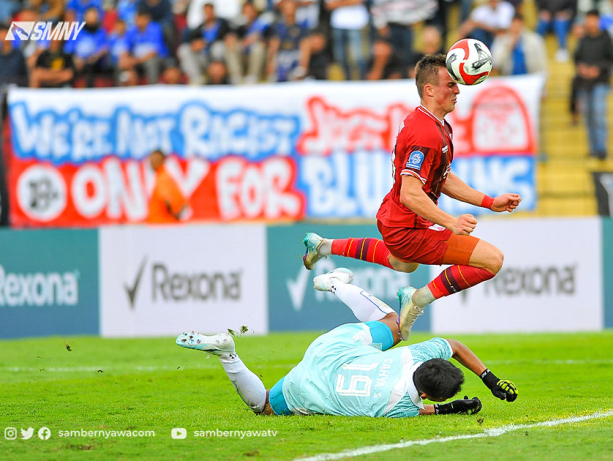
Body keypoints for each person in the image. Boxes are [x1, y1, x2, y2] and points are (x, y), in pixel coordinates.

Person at [302, 54, 522, 341]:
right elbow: (410, 192)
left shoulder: (433, 124)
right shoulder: (425, 133)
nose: (458, 90)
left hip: (397, 220)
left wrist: (489, 202)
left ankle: (324, 246)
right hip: (406, 228)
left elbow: (440, 178)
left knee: (403, 263)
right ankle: (416, 299)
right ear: (429, 89)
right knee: (492, 260)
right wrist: (451, 222)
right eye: (451, 84)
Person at [176, 268, 519, 417]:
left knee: (395, 326)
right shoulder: (398, 407)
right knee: (264, 406)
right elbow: (423, 410)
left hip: (334, 349)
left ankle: (334, 282)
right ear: (426, 394)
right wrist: (450, 409)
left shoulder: (417, 356)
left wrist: (490, 379)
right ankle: (227, 353)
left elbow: (454, 345)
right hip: (309, 386)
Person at [574, 9, 613, 159]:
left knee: (599, 115)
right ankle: (592, 149)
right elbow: (577, 58)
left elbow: (611, 59)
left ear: (598, 20)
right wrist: (582, 68)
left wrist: (598, 69)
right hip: (585, 83)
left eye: (593, 19)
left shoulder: (605, 38)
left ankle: (601, 149)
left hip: (600, 82)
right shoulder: (583, 39)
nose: (590, 23)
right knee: (588, 117)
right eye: (588, 19)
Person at [178, 2, 235, 85]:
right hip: (204, 59)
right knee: (184, 50)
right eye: (206, 12)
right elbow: (189, 42)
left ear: (214, 12)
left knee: (218, 47)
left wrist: (207, 43)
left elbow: (231, 36)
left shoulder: (224, 24)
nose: (208, 14)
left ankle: (227, 75)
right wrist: (194, 45)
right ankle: (197, 79)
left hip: (220, 59)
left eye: (210, 11)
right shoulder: (199, 28)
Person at [120, 9, 171, 84]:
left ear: (147, 19)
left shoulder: (155, 28)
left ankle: (152, 86)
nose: (138, 22)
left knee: (151, 62)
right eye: (137, 19)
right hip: (137, 60)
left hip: (156, 58)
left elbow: (154, 52)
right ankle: (122, 88)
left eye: (141, 19)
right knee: (123, 63)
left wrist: (137, 61)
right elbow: (125, 47)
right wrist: (124, 58)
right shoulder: (132, 30)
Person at [266, 0, 311, 82]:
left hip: (295, 57)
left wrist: (303, 67)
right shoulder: (277, 27)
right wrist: (270, 64)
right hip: (281, 59)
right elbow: (273, 47)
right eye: (287, 8)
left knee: (297, 74)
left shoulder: (302, 27)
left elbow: (305, 47)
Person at [326, 0, 369, 80]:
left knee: (358, 57)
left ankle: (363, 80)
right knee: (340, 57)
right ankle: (347, 80)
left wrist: (339, 3)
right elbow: (329, 5)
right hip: (338, 24)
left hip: (357, 24)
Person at [147, 149, 189, 224]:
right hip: (168, 225)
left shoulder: (162, 178)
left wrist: (172, 215)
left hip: (161, 225)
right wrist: (176, 216)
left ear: (163, 160)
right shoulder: (168, 176)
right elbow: (184, 204)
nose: (152, 163)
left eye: (155, 160)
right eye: (151, 160)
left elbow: (166, 200)